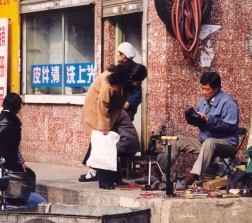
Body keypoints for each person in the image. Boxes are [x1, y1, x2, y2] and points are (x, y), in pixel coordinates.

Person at [159, 72, 240, 189]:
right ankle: (158, 171)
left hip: (226, 143)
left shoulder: (228, 102)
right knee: (177, 140)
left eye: (207, 89)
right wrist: (193, 119)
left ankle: (191, 178)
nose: (203, 92)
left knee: (209, 142)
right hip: (205, 141)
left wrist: (208, 119)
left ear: (216, 88)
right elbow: (201, 123)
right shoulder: (204, 101)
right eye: (202, 88)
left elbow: (230, 127)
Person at [79, 61, 147, 189]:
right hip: (96, 113)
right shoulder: (111, 82)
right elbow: (102, 104)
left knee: (112, 148)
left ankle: (117, 178)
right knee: (105, 149)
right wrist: (104, 127)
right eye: (139, 81)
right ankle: (104, 182)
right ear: (131, 77)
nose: (139, 84)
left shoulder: (124, 82)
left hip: (110, 114)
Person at [0, 93, 29, 172]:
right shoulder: (14, 125)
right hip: (7, 167)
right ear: (17, 107)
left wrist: (21, 161)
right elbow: (14, 146)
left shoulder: (2, 120)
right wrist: (20, 161)